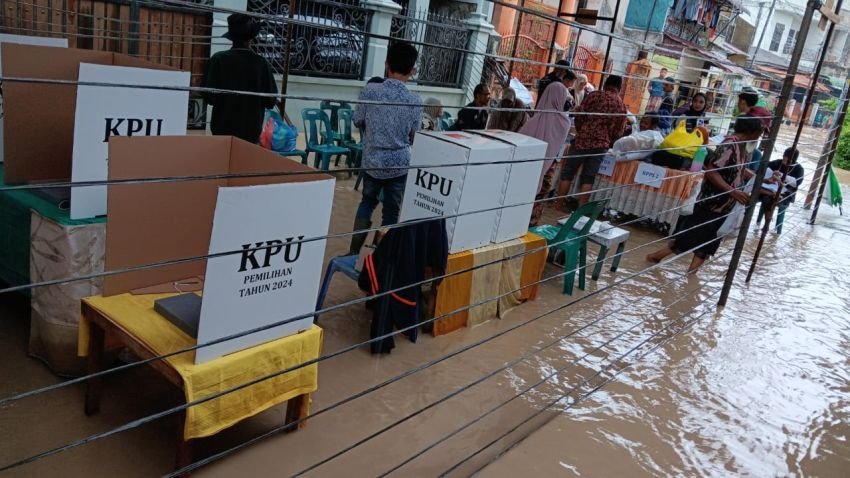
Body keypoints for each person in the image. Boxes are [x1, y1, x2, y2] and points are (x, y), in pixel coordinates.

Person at [645, 116, 764, 273]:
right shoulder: (729, 145)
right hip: (712, 202)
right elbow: (712, 171)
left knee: (709, 242)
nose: (760, 137)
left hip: (724, 205)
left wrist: (762, 179)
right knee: (690, 237)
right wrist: (732, 191)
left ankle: (691, 274)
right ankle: (656, 256)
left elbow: (740, 169)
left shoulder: (741, 147)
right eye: (759, 133)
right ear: (752, 132)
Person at [348, 41, 423, 255]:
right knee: (391, 213)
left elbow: (357, 120)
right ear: (412, 70)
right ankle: (380, 260)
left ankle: (353, 252)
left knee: (367, 202)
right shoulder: (414, 101)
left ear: (386, 64)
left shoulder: (370, 91)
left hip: (372, 161)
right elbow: (414, 136)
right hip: (399, 165)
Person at [201, 13, 277, 143]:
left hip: (222, 129)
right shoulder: (261, 63)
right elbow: (270, 101)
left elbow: (209, 97)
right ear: (251, 38)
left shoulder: (218, 59)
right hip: (250, 132)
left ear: (231, 38)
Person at [557, 75, 627, 209]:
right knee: (588, 177)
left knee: (568, 172)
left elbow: (580, 115)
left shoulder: (594, 96)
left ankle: (559, 205)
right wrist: (608, 139)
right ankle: (581, 208)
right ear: (619, 88)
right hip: (601, 145)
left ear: (606, 83)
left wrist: (582, 130)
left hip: (582, 140)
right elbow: (619, 131)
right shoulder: (620, 105)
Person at [518, 82, 571, 225]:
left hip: (527, 172)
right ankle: (532, 224)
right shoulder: (564, 122)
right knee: (538, 203)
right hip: (549, 169)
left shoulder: (533, 121)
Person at [757, 147, 805, 234]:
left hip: (786, 193)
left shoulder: (798, 169)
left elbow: (797, 182)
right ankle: (762, 222)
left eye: (787, 159)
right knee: (762, 193)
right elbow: (763, 169)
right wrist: (772, 175)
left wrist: (782, 176)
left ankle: (766, 224)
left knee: (769, 199)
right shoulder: (777, 163)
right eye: (784, 157)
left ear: (793, 160)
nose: (784, 160)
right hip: (770, 188)